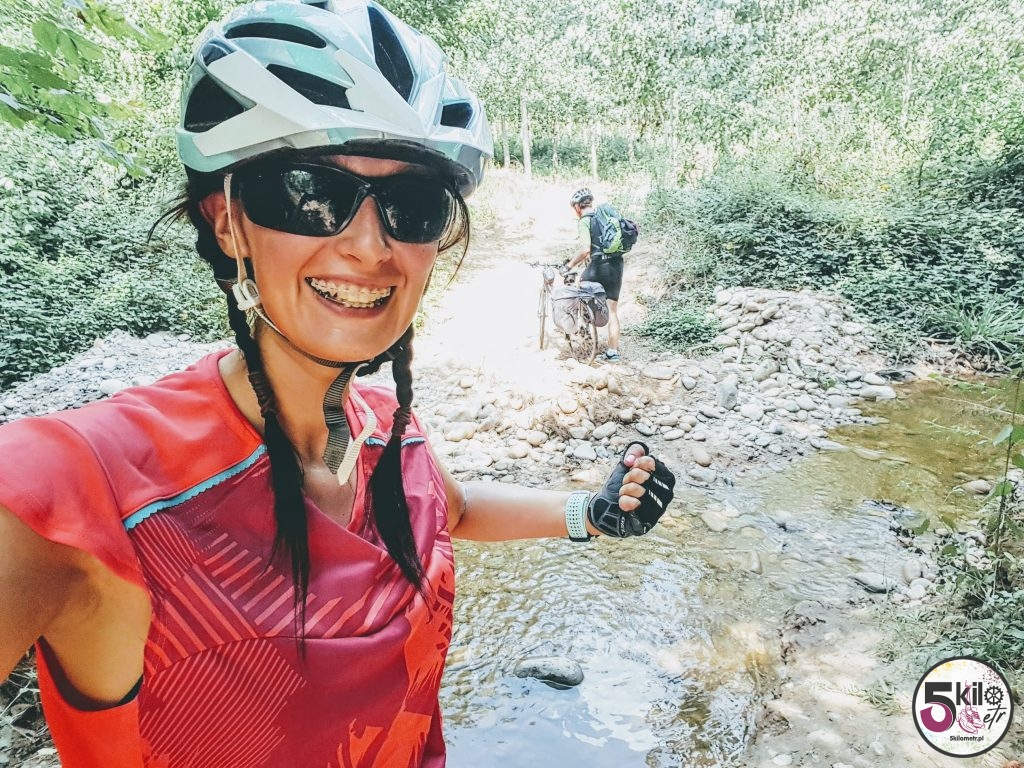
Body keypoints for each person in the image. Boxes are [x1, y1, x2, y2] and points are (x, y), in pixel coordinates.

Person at [0, 2, 676, 766]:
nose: (368, 245)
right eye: (310, 194)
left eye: (411, 207)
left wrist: (589, 514)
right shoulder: (84, 483)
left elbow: (451, 510)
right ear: (227, 223)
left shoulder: (387, 430)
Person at [565, 187, 624, 361]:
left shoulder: (585, 221)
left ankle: (584, 329)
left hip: (599, 266)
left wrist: (569, 266)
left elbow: (585, 250)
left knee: (579, 287)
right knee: (612, 311)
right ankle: (612, 353)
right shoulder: (604, 218)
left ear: (577, 207)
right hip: (616, 265)